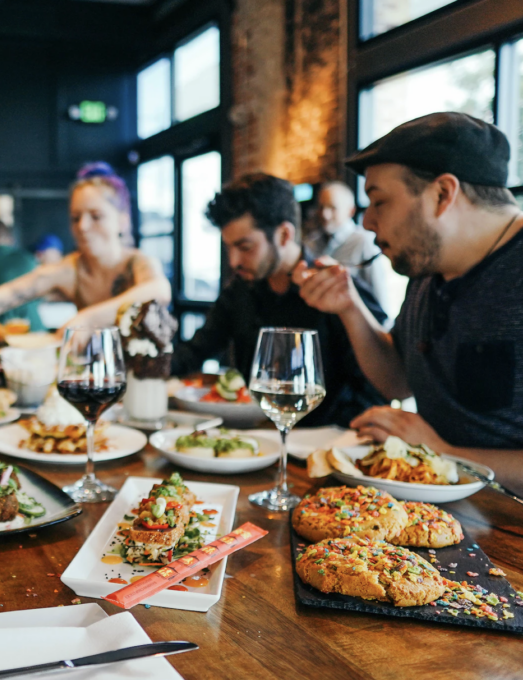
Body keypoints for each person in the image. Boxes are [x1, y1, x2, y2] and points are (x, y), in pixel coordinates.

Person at [295, 112, 523, 489]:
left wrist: (440, 452)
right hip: (441, 514)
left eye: (378, 202)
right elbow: (399, 380)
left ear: (442, 194)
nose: (366, 222)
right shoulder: (428, 269)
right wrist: (349, 307)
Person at [173, 172, 387, 427]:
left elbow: (378, 388)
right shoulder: (239, 292)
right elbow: (194, 352)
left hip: (323, 448)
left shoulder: (337, 290)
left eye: (245, 247)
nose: (233, 261)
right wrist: (144, 359)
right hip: (255, 441)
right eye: (228, 248)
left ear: (284, 235)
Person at [0, 163, 170, 343]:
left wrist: (85, 319)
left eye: (96, 216)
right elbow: (7, 295)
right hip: (97, 380)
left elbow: (158, 291)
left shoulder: (138, 262)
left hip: (147, 384)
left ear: (123, 221)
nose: (82, 226)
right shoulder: (71, 269)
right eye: (75, 218)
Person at [304, 181, 385, 296]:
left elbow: (378, 293)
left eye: (332, 208)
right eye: (321, 207)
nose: (325, 214)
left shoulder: (364, 241)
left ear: (350, 211)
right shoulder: (311, 242)